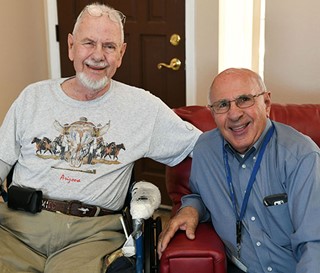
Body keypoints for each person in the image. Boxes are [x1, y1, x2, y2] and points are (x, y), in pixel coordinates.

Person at [0, 3, 201, 273]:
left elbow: (203, 150)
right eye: (88, 43)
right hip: (17, 227)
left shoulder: (142, 107)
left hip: (92, 236)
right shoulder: (33, 98)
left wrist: (194, 204)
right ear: (71, 46)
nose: (98, 55)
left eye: (109, 46)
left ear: (121, 53)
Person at [158, 68, 320, 273]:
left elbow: (314, 243)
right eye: (222, 105)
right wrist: (191, 208)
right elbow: (201, 194)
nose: (234, 114)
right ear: (213, 112)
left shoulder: (301, 156)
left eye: (244, 99)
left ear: (266, 103)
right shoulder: (205, 150)